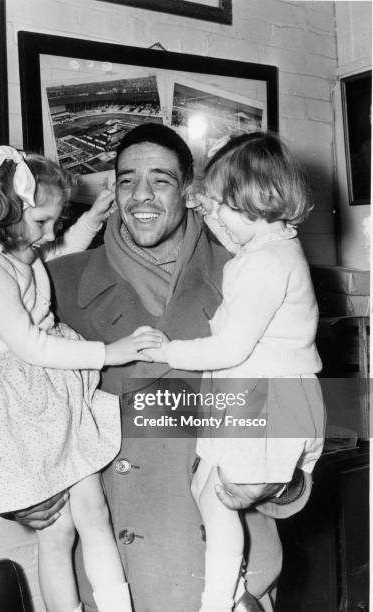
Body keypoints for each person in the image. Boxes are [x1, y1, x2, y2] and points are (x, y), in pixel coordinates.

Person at [14, 125, 313, 612]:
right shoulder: (57, 284)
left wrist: (284, 482)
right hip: (117, 582)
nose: (142, 195)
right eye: (127, 180)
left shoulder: (254, 269)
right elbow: (11, 398)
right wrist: (25, 494)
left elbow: (298, 403)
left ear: (192, 190)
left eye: (161, 179)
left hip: (232, 583)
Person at [0, 146, 163, 612]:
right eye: (42, 221)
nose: (48, 235)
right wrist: (111, 352)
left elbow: (52, 257)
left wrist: (92, 219)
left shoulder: (13, 246)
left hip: (49, 393)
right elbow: (32, 346)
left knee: (93, 513)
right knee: (58, 529)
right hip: (18, 407)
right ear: (6, 208)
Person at [142, 132, 325, 612]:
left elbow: (231, 346)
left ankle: (217, 600)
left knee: (220, 497)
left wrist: (169, 351)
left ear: (257, 202)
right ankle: (230, 586)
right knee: (205, 486)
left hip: (267, 402)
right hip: (257, 397)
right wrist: (211, 207)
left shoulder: (265, 265)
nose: (214, 216)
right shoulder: (271, 243)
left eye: (223, 204)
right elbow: (235, 234)